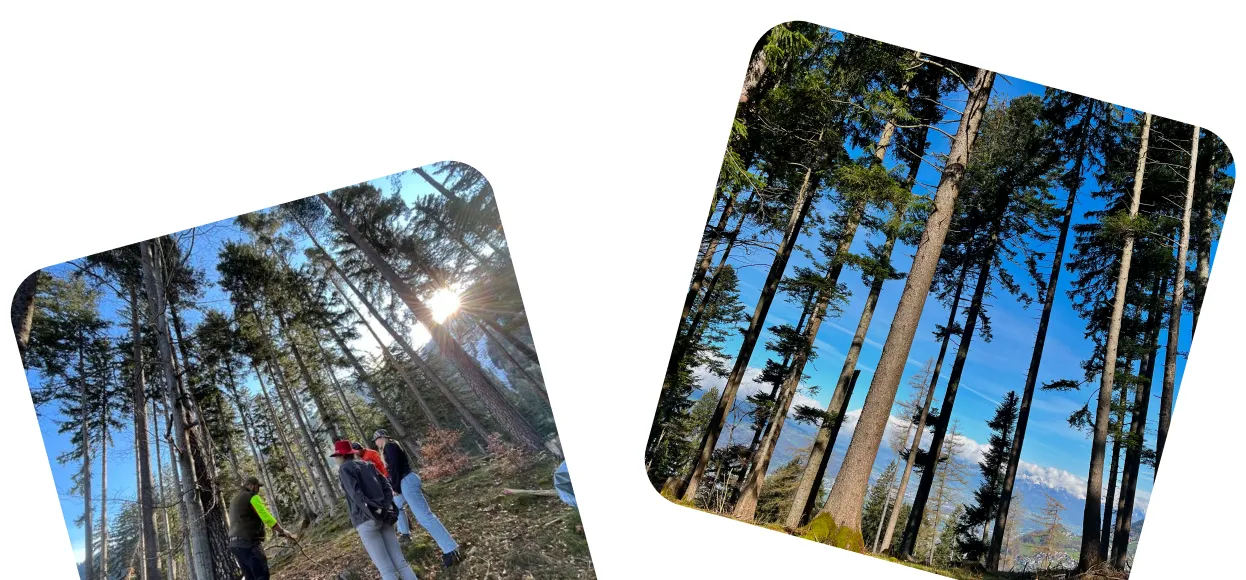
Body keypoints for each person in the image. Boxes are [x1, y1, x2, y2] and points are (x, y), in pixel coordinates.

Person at [374, 429, 463, 568]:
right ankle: (405, 534)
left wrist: (396, 488)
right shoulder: (389, 447)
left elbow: (396, 469)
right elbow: (393, 472)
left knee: (424, 517)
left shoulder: (390, 446)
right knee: (397, 505)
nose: (376, 443)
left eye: (376, 440)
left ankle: (451, 550)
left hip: (406, 481)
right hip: (404, 482)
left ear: (382, 438)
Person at [331, 440, 420, 580]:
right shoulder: (368, 464)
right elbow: (386, 486)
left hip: (366, 519)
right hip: (384, 516)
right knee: (401, 563)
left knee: (386, 570)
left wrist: (373, 511)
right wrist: (384, 507)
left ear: (341, 456)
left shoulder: (345, 469)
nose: (336, 459)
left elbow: (356, 494)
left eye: (336, 456)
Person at [227, 476, 295, 580]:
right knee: (262, 575)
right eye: (257, 487)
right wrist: (281, 531)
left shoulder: (234, 500)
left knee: (250, 577)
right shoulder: (252, 497)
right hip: (249, 543)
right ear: (251, 485)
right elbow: (265, 516)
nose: (258, 490)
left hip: (234, 545)